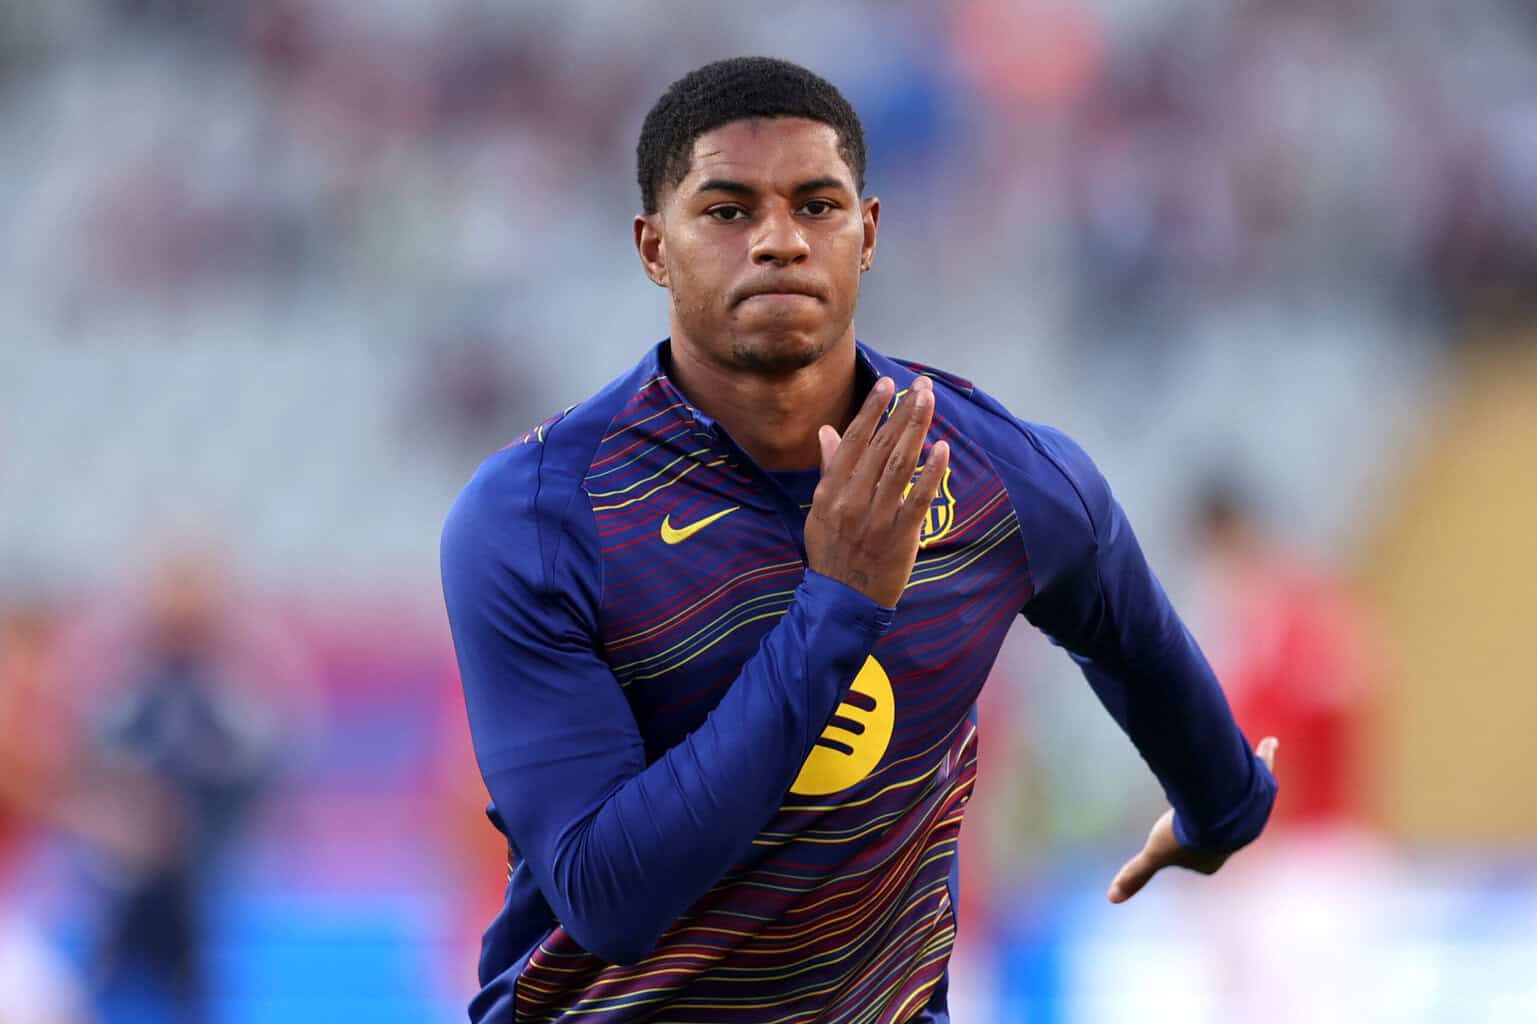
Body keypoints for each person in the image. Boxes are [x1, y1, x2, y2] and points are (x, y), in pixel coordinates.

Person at [440, 57, 1278, 1024]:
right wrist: (837, 605)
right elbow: (610, 899)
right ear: (653, 247)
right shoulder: (537, 515)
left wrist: (1218, 813)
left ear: (866, 233)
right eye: (727, 210)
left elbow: (1157, 678)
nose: (779, 241)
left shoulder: (998, 475)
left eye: (817, 205)